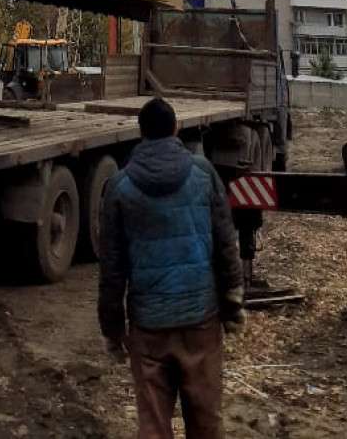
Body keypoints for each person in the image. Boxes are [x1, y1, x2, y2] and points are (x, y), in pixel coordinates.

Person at [98, 96, 244, 439]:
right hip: (200, 320)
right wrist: (233, 303)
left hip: (148, 327)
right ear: (177, 128)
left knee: (152, 424)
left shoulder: (119, 188)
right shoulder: (203, 174)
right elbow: (225, 243)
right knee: (206, 420)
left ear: (140, 134)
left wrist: (112, 329)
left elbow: (112, 269)